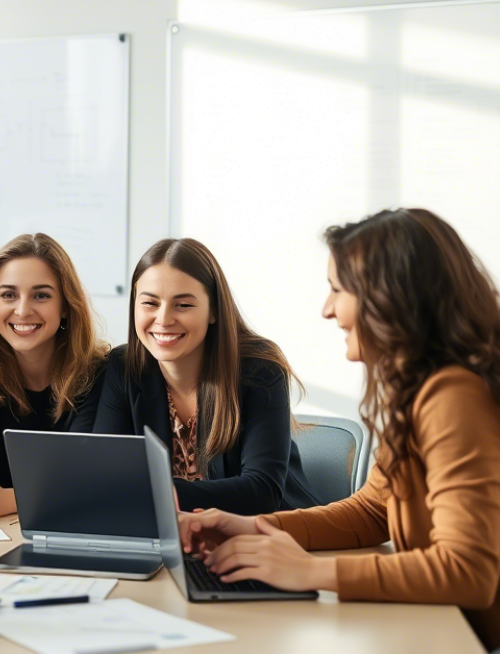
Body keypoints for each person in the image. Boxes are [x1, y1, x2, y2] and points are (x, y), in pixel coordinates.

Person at [178, 209, 500, 651]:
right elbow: (373, 512)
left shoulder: (452, 395)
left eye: (337, 289)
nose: (327, 310)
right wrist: (251, 527)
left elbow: (469, 572)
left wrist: (310, 572)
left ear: (389, 296)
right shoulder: (421, 388)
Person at [93, 238, 318, 513]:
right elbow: (104, 476)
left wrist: (155, 493)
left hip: (269, 535)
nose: (163, 319)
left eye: (183, 305)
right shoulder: (123, 366)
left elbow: (262, 491)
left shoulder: (260, 370)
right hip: (172, 539)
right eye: (150, 303)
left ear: (213, 310)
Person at [0, 233, 108, 517]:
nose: (23, 310)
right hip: (9, 533)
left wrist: (9, 500)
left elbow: (92, 486)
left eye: (41, 295)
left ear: (65, 305)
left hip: (83, 530)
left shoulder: (100, 373)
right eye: (8, 295)